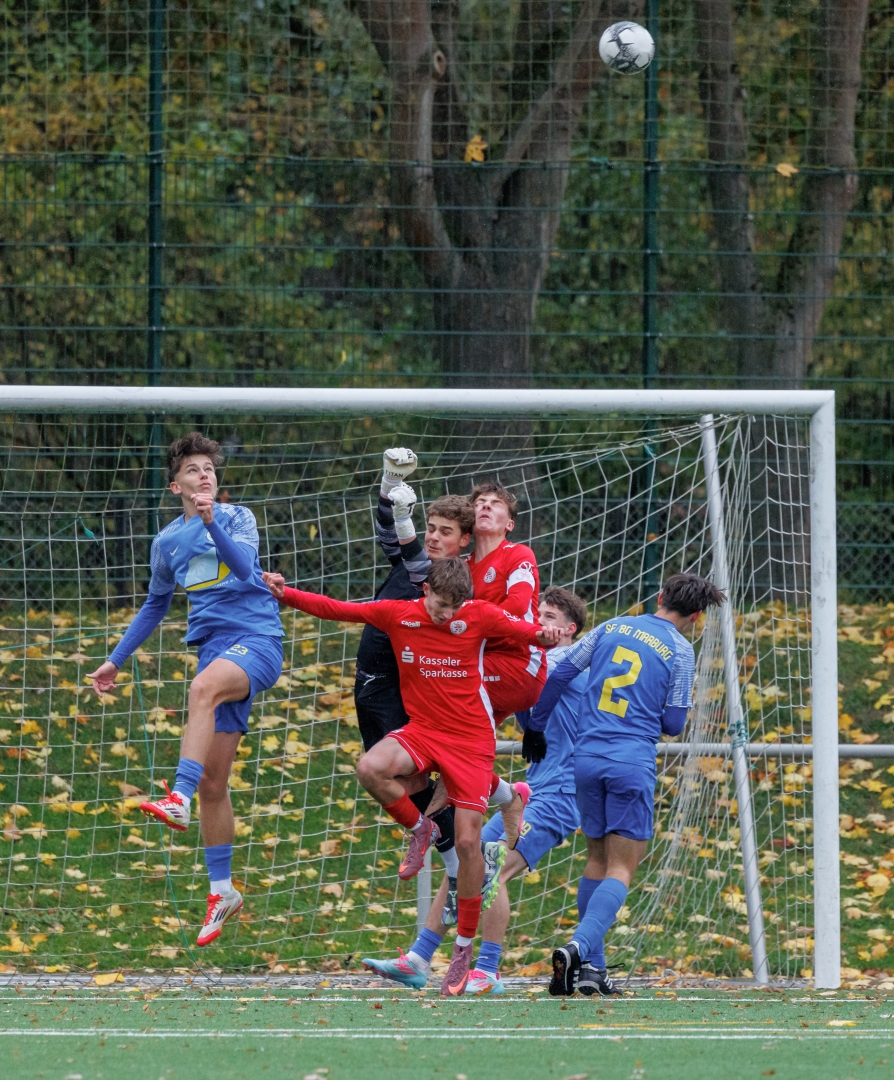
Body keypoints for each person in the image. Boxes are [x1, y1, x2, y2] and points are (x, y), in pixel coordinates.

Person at [263, 556, 561, 995]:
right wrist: (285, 594)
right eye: (441, 605)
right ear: (425, 592)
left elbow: (526, 633)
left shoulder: (478, 614)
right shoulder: (397, 614)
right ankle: (422, 828)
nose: (448, 615)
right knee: (371, 768)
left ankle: (462, 953)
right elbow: (338, 609)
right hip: (424, 730)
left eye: (456, 607)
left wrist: (546, 636)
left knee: (467, 844)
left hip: (471, 739)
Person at [87, 433, 284, 948]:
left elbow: (245, 569)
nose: (204, 475)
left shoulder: (236, 517)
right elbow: (155, 605)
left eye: (209, 469)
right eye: (193, 470)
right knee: (214, 783)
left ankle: (177, 796)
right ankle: (222, 890)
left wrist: (212, 522)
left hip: (257, 641)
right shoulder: (166, 543)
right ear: (176, 486)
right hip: (215, 649)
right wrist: (114, 661)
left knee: (200, 689)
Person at [529, 573, 725, 997]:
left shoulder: (611, 626)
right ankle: (579, 947)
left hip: (585, 759)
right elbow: (673, 724)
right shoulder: (681, 650)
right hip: (630, 762)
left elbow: (560, 675)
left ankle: (591, 971)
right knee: (622, 867)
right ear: (696, 616)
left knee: (596, 861)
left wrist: (536, 726)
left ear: (659, 597)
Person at [465, 586, 591, 996]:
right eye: (538, 616)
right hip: (534, 788)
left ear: (570, 630)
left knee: (492, 866)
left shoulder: (564, 662)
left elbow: (517, 673)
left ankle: (488, 970)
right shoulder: (538, 664)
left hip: (560, 793)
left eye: (550, 618)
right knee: (468, 859)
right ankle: (424, 954)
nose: (540, 623)